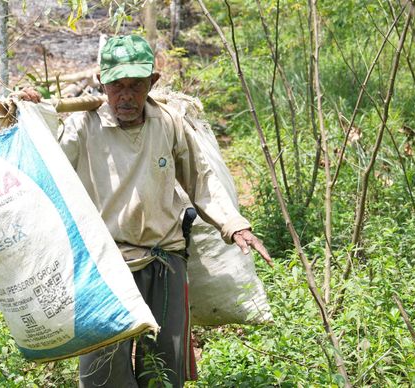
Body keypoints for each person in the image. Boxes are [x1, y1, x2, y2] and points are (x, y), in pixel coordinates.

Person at [18, 34, 272, 388]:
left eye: (136, 85)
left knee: (164, 368)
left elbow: (201, 178)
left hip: (165, 258)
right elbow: (46, 160)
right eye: (117, 86)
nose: (126, 96)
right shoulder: (82, 126)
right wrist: (34, 112)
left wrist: (234, 225)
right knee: (104, 371)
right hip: (105, 264)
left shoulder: (167, 122)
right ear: (102, 85)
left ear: (152, 83)